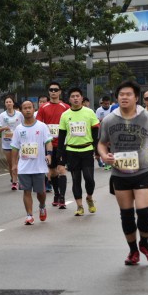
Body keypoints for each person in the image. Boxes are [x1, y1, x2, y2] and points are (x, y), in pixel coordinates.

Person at [98, 80, 148, 266]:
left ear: (136, 98)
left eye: (128, 94)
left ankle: (144, 243)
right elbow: (102, 143)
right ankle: (133, 250)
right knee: (126, 214)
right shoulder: (109, 120)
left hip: (142, 170)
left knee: (144, 212)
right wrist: (104, 155)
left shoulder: (147, 118)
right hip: (119, 173)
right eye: (121, 94)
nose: (124, 97)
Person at [58, 87, 100, 216]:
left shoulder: (89, 112)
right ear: (69, 99)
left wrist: (96, 149)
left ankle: (89, 198)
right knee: (76, 180)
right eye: (73, 96)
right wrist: (61, 155)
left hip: (87, 150)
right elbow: (61, 136)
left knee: (89, 179)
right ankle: (80, 206)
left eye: (77, 96)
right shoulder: (65, 115)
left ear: (82, 98)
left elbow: (95, 132)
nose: (75, 98)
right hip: (71, 151)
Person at [11, 100, 52, 225]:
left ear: (34, 109)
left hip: (39, 166)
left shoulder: (42, 126)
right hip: (24, 167)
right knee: (26, 191)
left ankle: (42, 206)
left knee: (41, 192)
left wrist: (49, 154)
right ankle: (29, 215)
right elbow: (15, 148)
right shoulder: (18, 129)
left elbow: (48, 142)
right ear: (21, 111)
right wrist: (14, 164)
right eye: (25, 108)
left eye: (30, 107)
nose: (28, 110)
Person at [36, 82, 69, 208]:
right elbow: (39, 125)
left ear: (60, 92)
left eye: (56, 89)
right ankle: (56, 194)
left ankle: (62, 197)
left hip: (63, 144)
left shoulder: (65, 107)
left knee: (61, 169)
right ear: (48, 92)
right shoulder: (43, 108)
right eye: (51, 90)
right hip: (49, 145)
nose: (53, 92)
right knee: (53, 171)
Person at [0, 95, 24, 190]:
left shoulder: (19, 114)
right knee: (10, 163)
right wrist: (4, 128)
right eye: (6, 102)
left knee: (15, 162)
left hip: (17, 143)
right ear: (5, 104)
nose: (8, 103)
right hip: (6, 142)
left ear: (13, 103)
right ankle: (13, 178)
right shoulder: (2, 115)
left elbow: (25, 124)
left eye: (10, 102)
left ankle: (15, 182)